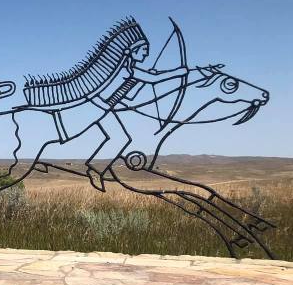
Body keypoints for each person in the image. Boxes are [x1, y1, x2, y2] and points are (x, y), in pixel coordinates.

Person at [22, 18, 187, 190]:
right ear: (132, 50)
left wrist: (142, 82)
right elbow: (155, 79)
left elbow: (129, 97)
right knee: (68, 136)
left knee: (120, 138)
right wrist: (180, 72)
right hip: (95, 108)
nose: (146, 54)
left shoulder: (128, 71)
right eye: (144, 50)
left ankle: (94, 169)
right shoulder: (126, 70)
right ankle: (91, 169)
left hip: (103, 109)